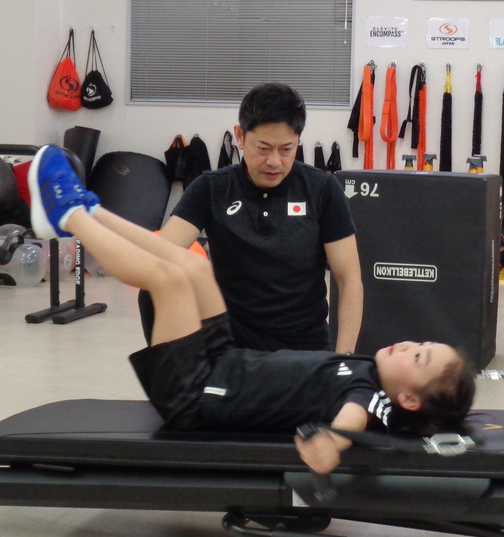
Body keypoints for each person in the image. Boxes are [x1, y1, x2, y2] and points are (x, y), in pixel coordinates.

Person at [28, 145, 474, 474]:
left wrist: (332, 445)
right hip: (224, 359)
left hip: (194, 394)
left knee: (168, 280)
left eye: (419, 357)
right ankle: (90, 208)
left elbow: (350, 422)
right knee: (195, 268)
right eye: (421, 343)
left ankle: (69, 216)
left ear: (408, 399)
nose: (408, 345)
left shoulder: (370, 397)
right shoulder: (370, 372)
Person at [146, 82, 363, 354]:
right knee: (153, 286)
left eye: (286, 149)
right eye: (263, 148)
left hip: (304, 348)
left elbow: (349, 279)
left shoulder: (322, 189)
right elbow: (160, 255)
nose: (274, 162)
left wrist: (343, 361)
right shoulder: (211, 188)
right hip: (232, 347)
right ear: (240, 136)